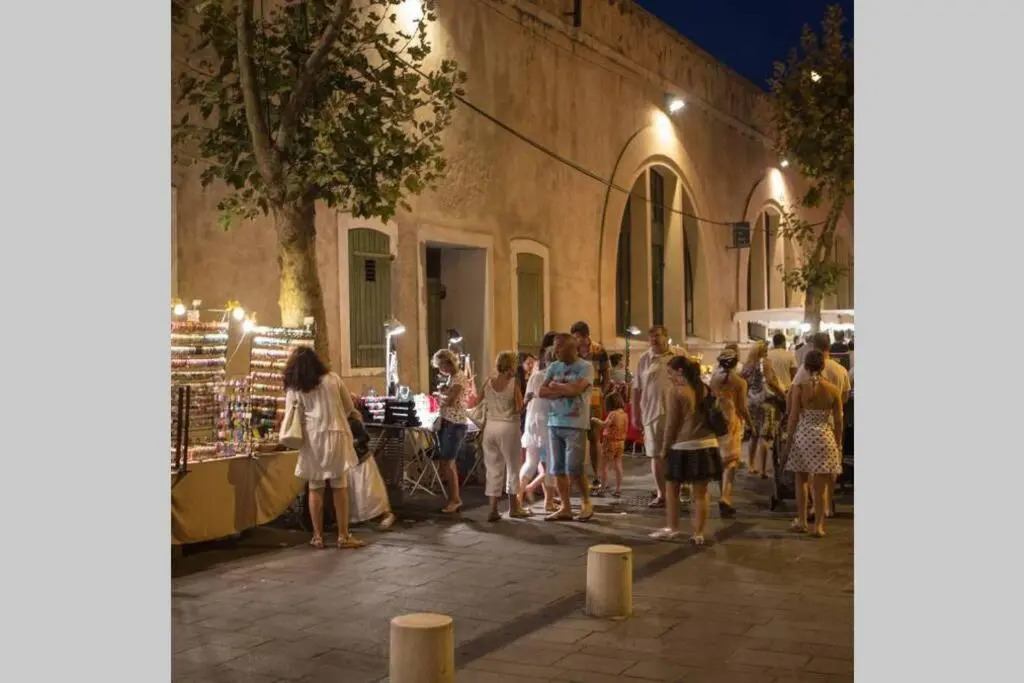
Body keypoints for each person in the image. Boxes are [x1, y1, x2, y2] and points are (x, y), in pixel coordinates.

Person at [282, 347, 364, 550]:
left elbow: (291, 415)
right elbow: (348, 407)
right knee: (339, 485)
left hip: (312, 438)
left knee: (315, 485)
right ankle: (343, 535)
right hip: (336, 435)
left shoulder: (295, 387)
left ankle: (317, 536)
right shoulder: (333, 379)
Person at [652, 355, 722, 544]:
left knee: (672, 488)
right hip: (707, 444)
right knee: (701, 492)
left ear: (680, 371)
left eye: (670, 372)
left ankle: (672, 528)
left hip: (683, 444)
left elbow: (672, 423)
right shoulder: (704, 388)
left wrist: (664, 448)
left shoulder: (676, 391)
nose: (669, 377)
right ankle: (698, 533)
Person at [784, 350, 844, 537]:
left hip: (803, 436)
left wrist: (788, 441)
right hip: (825, 437)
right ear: (823, 366)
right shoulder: (833, 390)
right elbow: (839, 420)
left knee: (801, 481)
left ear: (806, 367)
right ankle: (818, 526)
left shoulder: (799, 388)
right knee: (821, 486)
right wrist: (838, 443)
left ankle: (802, 521)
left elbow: (793, 417)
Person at [791, 332, 851, 519]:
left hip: (807, 429)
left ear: (813, 347)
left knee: (810, 470)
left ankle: (811, 510)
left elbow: (793, 400)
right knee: (829, 469)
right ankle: (826, 507)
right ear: (829, 346)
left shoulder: (803, 373)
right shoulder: (841, 370)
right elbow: (845, 398)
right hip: (831, 425)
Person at [539, 333, 595, 522]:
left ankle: (586, 502)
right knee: (558, 468)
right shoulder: (554, 367)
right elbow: (541, 391)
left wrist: (557, 387)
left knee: (574, 468)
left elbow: (578, 389)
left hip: (576, 424)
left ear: (572, 348)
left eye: (559, 348)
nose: (556, 351)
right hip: (554, 422)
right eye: (555, 348)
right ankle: (565, 507)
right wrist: (566, 389)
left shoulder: (586, 367)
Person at [468, 351, 526, 521]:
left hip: (490, 428)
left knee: (493, 469)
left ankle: (493, 509)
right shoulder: (513, 383)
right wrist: (528, 399)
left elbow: (475, 402)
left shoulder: (488, 382)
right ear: (512, 364)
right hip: (509, 427)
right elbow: (519, 408)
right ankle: (514, 507)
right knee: (513, 467)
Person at [631, 325, 676, 508]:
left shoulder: (678, 356)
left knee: (675, 453)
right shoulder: (644, 359)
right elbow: (636, 388)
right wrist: (635, 414)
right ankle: (662, 494)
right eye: (651, 337)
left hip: (675, 412)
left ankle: (675, 489)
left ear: (666, 337)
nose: (654, 340)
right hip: (652, 412)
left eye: (657, 336)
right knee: (656, 454)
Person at [710, 348, 750, 518]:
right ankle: (726, 497)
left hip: (716, 421)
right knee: (731, 461)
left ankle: (723, 495)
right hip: (732, 420)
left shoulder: (714, 379)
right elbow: (742, 407)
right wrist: (751, 424)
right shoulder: (739, 382)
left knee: (721, 460)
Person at [570, 321, 610, 495]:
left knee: (594, 438)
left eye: (577, 337)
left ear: (585, 336)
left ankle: (597, 477)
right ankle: (578, 477)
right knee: (577, 437)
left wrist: (602, 393)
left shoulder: (599, 351)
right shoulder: (572, 351)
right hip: (577, 398)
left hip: (594, 398)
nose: (575, 340)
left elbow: (606, 375)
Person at [521, 333, 558, 511]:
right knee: (550, 463)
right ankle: (548, 501)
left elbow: (526, 399)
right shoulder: (556, 377)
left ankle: (517, 497)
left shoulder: (535, 375)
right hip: (549, 421)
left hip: (532, 420)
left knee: (531, 462)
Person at [431, 349, 469, 514]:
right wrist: (444, 391)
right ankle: (453, 497)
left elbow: (451, 400)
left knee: (449, 462)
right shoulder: (451, 378)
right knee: (446, 462)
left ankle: (455, 499)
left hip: (455, 424)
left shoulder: (459, 378)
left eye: (441, 366)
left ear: (448, 363)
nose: (440, 370)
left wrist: (439, 395)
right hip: (447, 422)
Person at [741, 341, 785, 476]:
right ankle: (763, 470)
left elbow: (744, 382)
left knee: (753, 434)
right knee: (764, 436)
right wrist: (782, 394)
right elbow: (769, 381)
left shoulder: (747, 364)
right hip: (765, 401)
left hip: (751, 401)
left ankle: (751, 465)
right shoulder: (765, 362)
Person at [592, 393, 627, 497]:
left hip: (610, 442)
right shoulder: (624, 414)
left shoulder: (613, 414)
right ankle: (618, 489)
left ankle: (602, 489)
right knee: (618, 464)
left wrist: (595, 420)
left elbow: (605, 424)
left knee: (604, 466)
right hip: (621, 442)